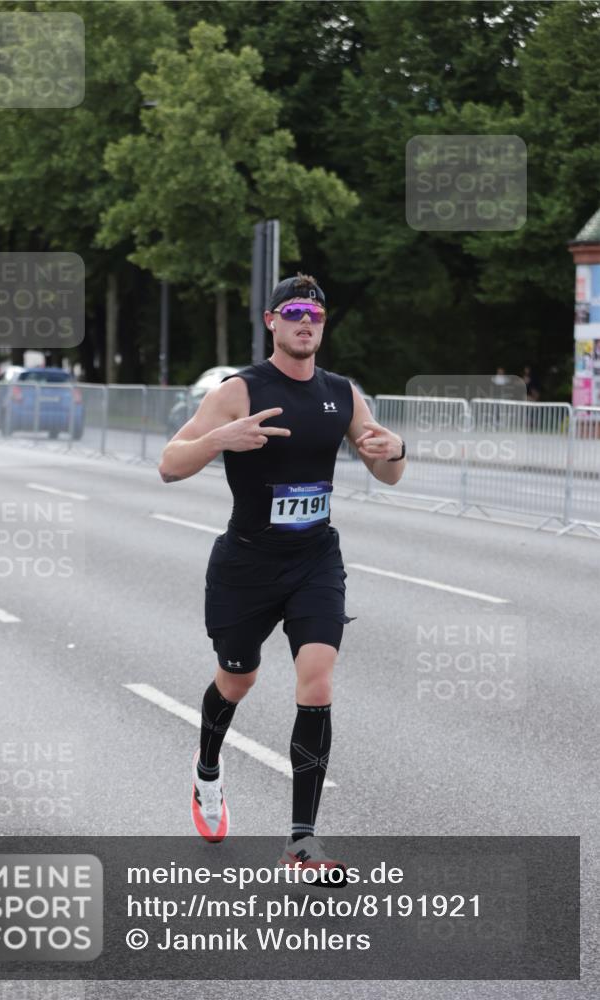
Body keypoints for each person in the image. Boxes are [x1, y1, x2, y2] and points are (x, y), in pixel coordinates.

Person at [158, 272, 406, 882]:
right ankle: (207, 769)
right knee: (237, 680)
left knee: (316, 682)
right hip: (246, 565)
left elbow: (389, 475)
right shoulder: (238, 390)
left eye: (315, 313)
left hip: (315, 559)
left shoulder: (343, 394)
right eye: (293, 310)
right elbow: (169, 465)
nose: (306, 320)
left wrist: (395, 451)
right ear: (271, 320)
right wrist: (221, 437)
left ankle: (301, 841)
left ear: (323, 325)